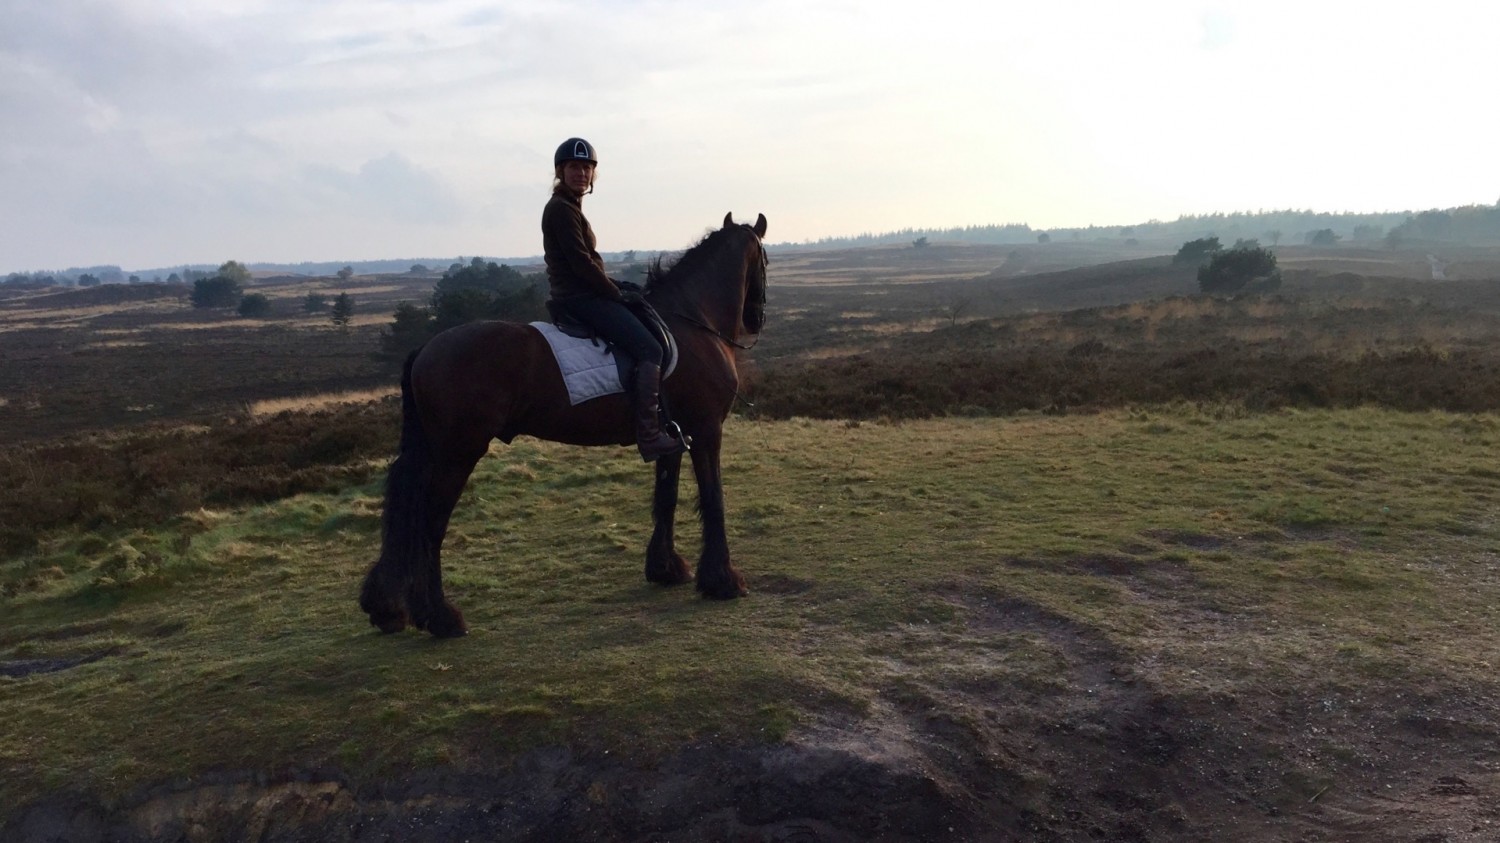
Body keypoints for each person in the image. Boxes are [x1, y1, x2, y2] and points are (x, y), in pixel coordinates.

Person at [541, 137, 687, 462]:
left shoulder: (569, 208)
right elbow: (580, 263)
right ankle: (649, 436)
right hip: (580, 299)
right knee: (650, 349)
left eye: (586, 168)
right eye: (574, 167)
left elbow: (588, 263)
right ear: (561, 172)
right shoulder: (560, 210)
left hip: (584, 293)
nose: (581, 173)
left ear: (593, 175)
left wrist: (617, 284)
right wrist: (614, 293)